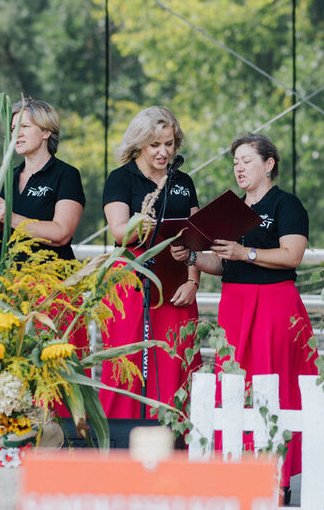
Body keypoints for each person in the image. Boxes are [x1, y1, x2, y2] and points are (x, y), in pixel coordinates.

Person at [178, 132, 324, 498]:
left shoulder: (287, 204)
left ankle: (277, 478)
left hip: (274, 303)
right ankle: (237, 473)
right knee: (234, 385)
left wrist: (245, 252)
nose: (239, 168)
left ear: (269, 165)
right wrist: (189, 257)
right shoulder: (229, 209)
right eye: (235, 162)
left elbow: (291, 255)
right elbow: (220, 262)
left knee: (274, 386)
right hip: (235, 302)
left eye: (247, 161)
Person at [100, 106, 201, 418]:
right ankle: (120, 439)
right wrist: (140, 224)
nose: (163, 152)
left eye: (169, 144)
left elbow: (196, 238)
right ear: (138, 143)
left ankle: (176, 437)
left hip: (175, 280)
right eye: (155, 144)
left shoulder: (183, 181)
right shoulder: (120, 179)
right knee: (126, 362)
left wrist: (193, 280)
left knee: (175, 359)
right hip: (132, 278)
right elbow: (119, 233)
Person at [0, 99, 85, 261]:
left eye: (25, 127)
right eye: (13, 128)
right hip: (5, 279)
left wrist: (11, 217)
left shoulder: (66, 175)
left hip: (50, 278)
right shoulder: (6, 177)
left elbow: (61, 234)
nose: (17, 133)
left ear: (46, 132)